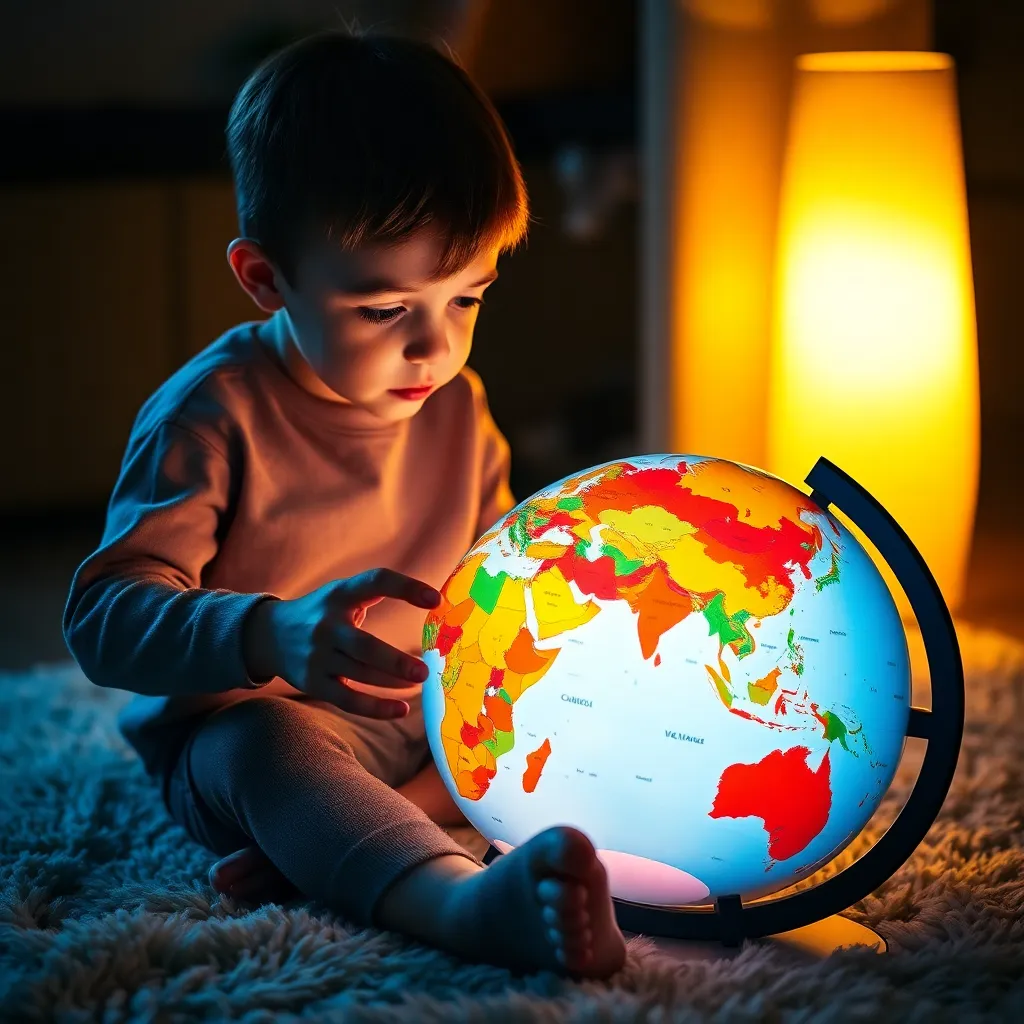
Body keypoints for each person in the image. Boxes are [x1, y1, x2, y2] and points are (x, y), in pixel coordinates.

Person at [63, 30, 627, 978]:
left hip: (424, 726)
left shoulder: (459, 406)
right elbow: (102, 619)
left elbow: (495, 582)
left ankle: (354, 840)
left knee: (598, 697)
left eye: (467, 297)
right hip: (255, 728)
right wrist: (272, 638)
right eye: (382, 310)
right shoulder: (211, 416)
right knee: (270, 745)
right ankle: (453, 899)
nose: (434, 349)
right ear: (266, 279)